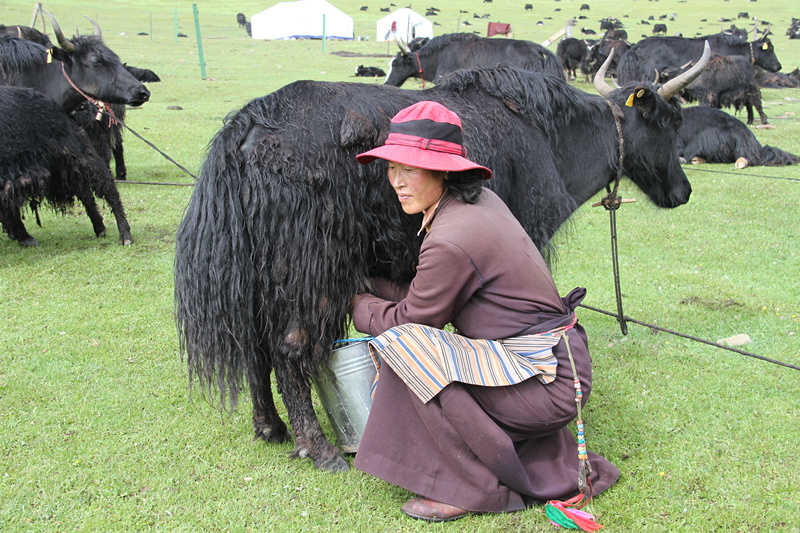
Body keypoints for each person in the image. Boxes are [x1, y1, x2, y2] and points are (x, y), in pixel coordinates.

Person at [351, 101, 619, 522]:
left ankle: (471, 486)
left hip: (545, 380)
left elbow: (411, 322)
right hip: (556, 364)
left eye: (411, 169)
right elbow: (427, 294)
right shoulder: (478, 204)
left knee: (406, 347)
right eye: (391, 168)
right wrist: (373, 287)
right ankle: (521, 455)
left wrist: (357, 303)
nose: (397, 182)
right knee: (422, 343)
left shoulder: (451, 236)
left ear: (444, 171)